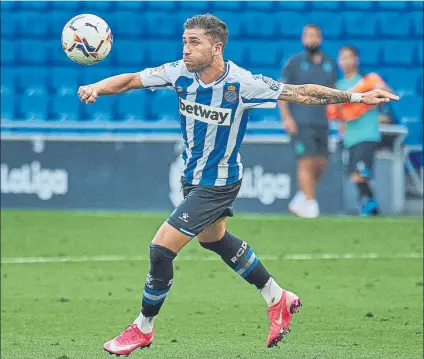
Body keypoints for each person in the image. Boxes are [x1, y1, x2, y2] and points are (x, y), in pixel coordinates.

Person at [77, 14, 398, 356]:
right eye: (184, 42)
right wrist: (98, 87)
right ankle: (278, 297)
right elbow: (130, 81)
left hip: (218, 183)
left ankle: (142, 327)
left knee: (160, 249)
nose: (185, 49)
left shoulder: (241, 83)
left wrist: (357, 97)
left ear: (216, 48)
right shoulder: (178, 73)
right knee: (214, 240)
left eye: (194, 42)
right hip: (193, 177)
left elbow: (302, 93)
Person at [278, 24, 337, 219]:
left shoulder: (329, 64)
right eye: (307, 36)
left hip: (322, 122)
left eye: (314, 36)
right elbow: (282, 93)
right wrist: (287, 118)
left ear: (320, 38)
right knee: (306, 162)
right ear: (303, 39)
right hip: (301, 121)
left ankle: (302, 197)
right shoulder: (294, 62)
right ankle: (311, 204)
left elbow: (334, 92)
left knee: (321, 163)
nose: (311, 40)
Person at [327, 45, 394, 216]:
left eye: (349, 57)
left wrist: (365, 91)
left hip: (367, 135)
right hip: (350, 137)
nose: (346, 61)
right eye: (342, 57)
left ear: (356, 60)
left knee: (360, 172)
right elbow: (337, 114)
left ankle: (368, 204)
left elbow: (387, 93)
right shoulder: (338, 86)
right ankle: (370, 205)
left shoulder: (369, 80)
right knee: (354, 175)